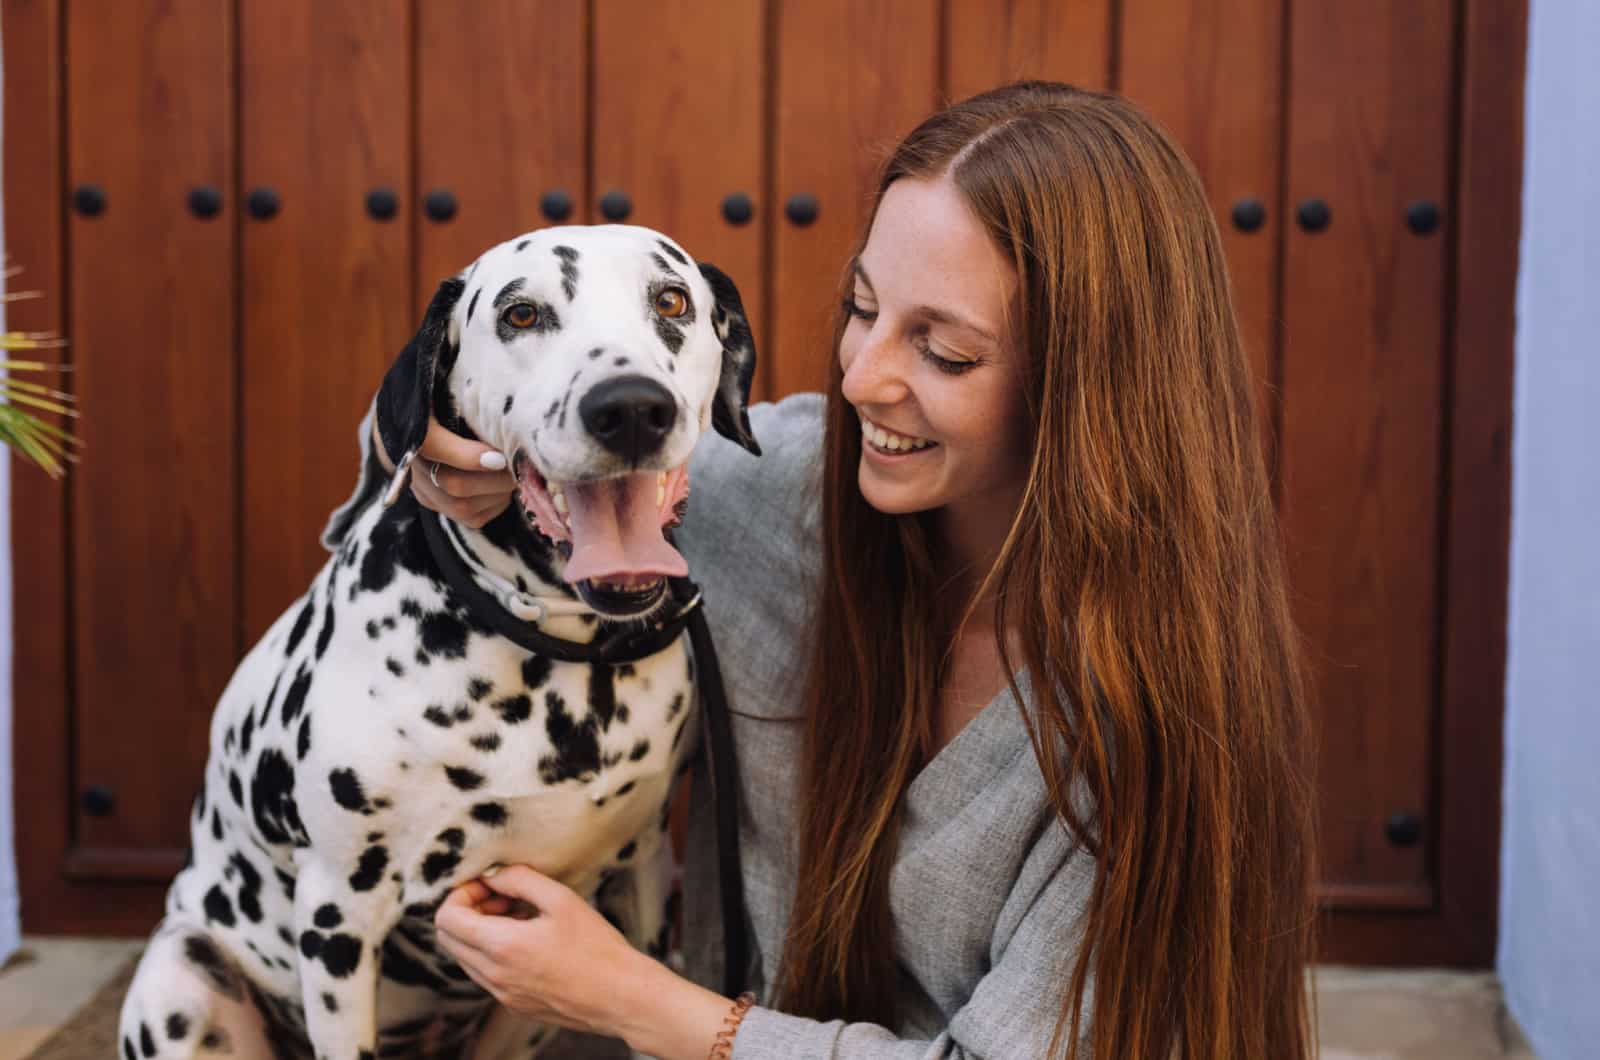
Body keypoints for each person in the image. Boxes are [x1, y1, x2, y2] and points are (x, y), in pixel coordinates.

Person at [353, 81, 1317, 1059]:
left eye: (943, 351)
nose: (859, 378)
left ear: (1088, 388)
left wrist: (630, 998)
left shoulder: (1157, 715)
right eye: (863, 307)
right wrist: (453, 461)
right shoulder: (774, 500)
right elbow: (425, 429)